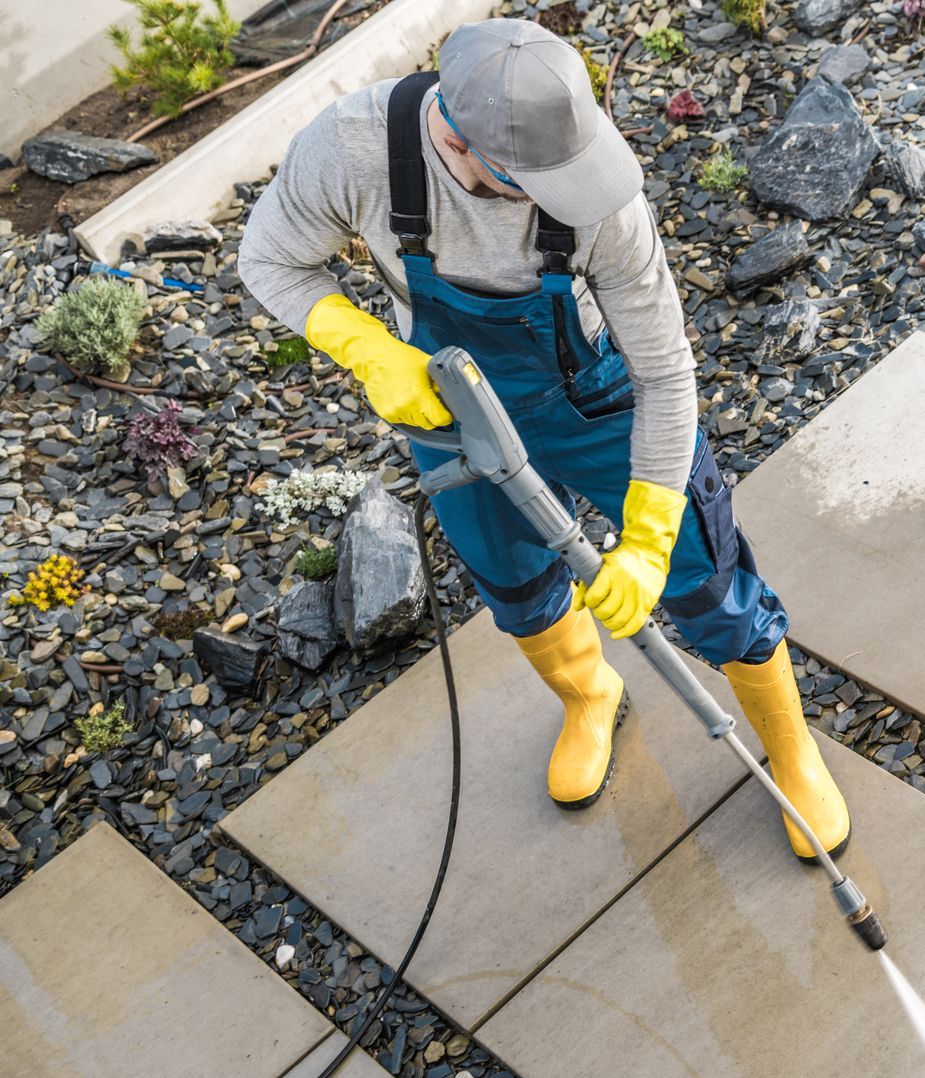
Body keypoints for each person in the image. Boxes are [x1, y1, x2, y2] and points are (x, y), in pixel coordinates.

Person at [238, 17, 847, 860]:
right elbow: (268, 258)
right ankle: (590, 696)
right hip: (452, 406)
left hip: (596, 397)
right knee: (514, 583)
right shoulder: (352, 148)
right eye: (537, 181)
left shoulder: (605, 206)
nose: (568, 195)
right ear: (454, 137)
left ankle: (792, 750)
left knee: (705, 579)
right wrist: (367, 349)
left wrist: (648, 535)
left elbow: (668, 376)